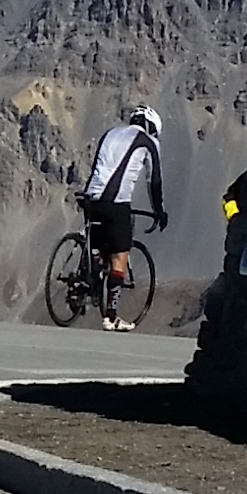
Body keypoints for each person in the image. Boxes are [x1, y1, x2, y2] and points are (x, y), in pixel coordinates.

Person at [78, 105, 169, 330]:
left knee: (98, 244)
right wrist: (158, 211)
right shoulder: (148, 141)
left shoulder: (110, 133)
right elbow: (154, 181)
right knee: (120, 255)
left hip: (90, 198)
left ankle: (88, 276)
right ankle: (111, 317)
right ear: (151, 126)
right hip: (116, 203)